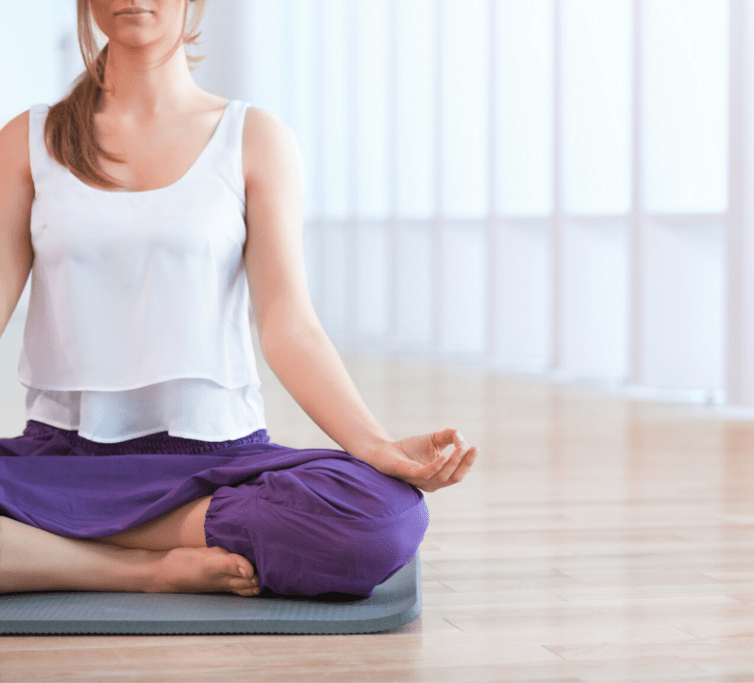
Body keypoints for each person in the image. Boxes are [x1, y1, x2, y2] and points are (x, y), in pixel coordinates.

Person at [0, 0, 476, 598]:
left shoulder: (253, 138)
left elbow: (287, 322)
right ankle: (146, 567)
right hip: (61, 463)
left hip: (214, 464)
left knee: (383, 518)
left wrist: (376, 446)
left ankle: (67, 541)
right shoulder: (28, 139)